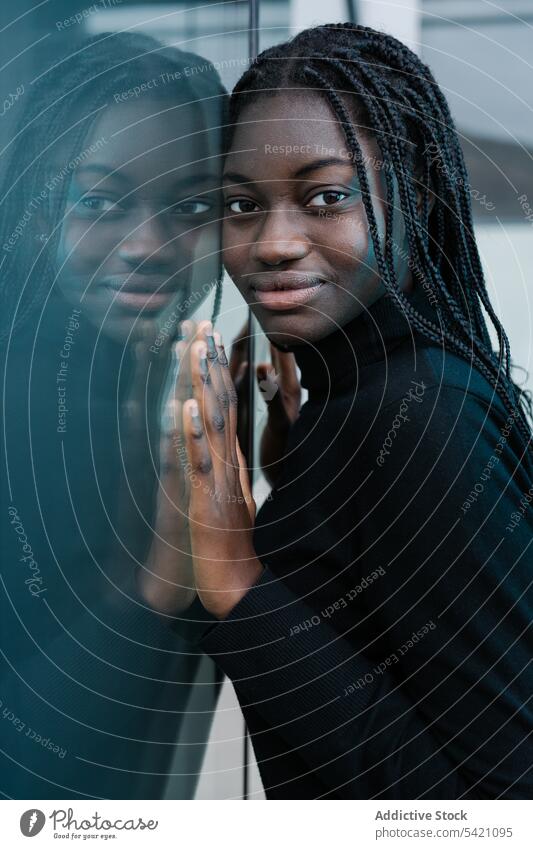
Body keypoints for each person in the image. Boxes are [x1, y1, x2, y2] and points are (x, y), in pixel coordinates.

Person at [179, 24, 533, 799]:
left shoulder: (423, 414)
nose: (271, 242)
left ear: (419, 193)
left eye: (326, 196)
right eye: (241, 203)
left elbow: (499, 801)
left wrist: (237, 578)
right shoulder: (360, 400)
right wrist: (298, 471)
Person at [1, 31, 225, 798]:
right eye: (100, 201)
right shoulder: (30, 412)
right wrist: (162, 572)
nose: (150, 245)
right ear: (36, 210)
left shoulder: (133, 382)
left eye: (191, 204)